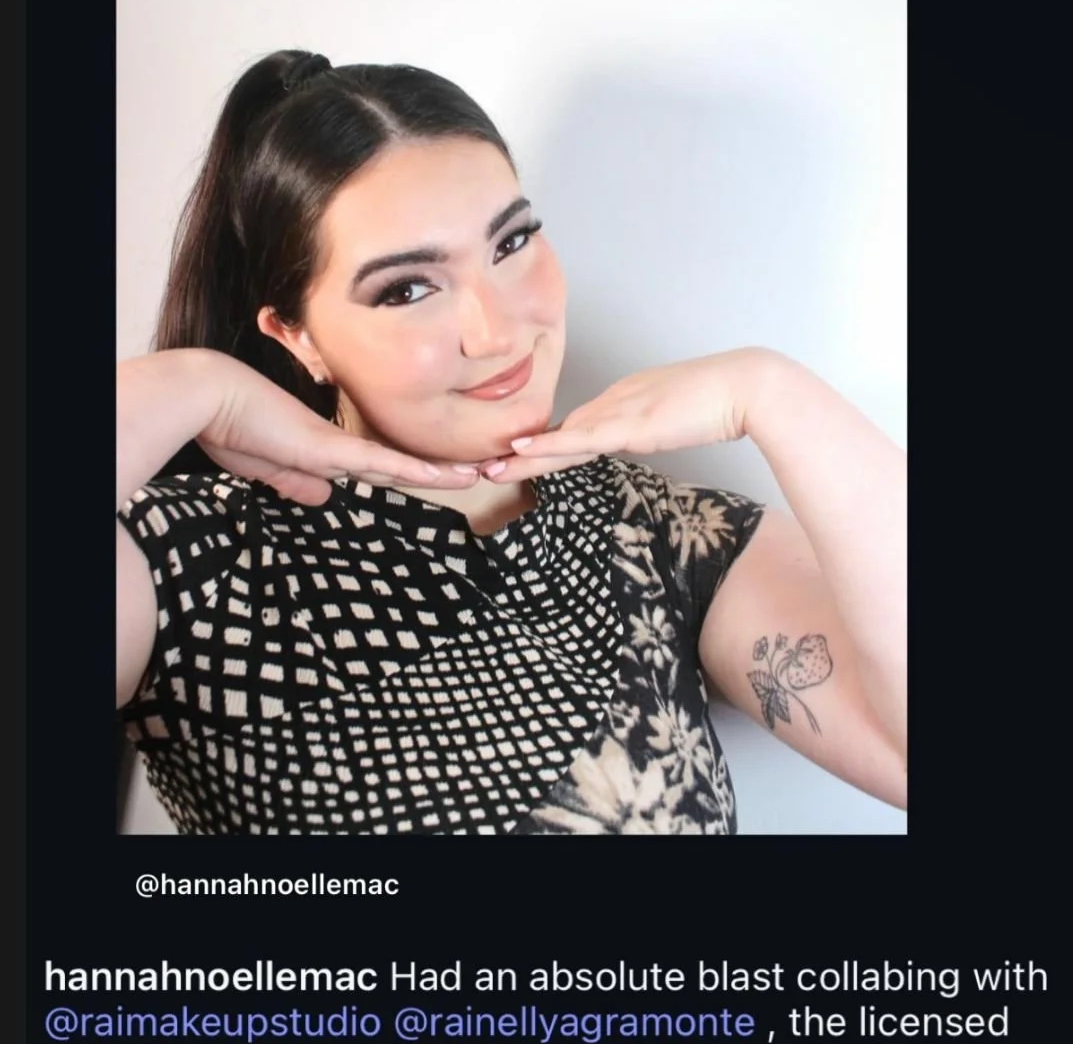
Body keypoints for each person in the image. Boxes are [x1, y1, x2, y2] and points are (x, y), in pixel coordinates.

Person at [117, 49, 906, 835]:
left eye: (511, 243)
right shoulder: (191, 563)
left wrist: (774, 394)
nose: (495, 332)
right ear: (298, 337)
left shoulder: (658, 532)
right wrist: (186, 385)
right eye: (407, 288)